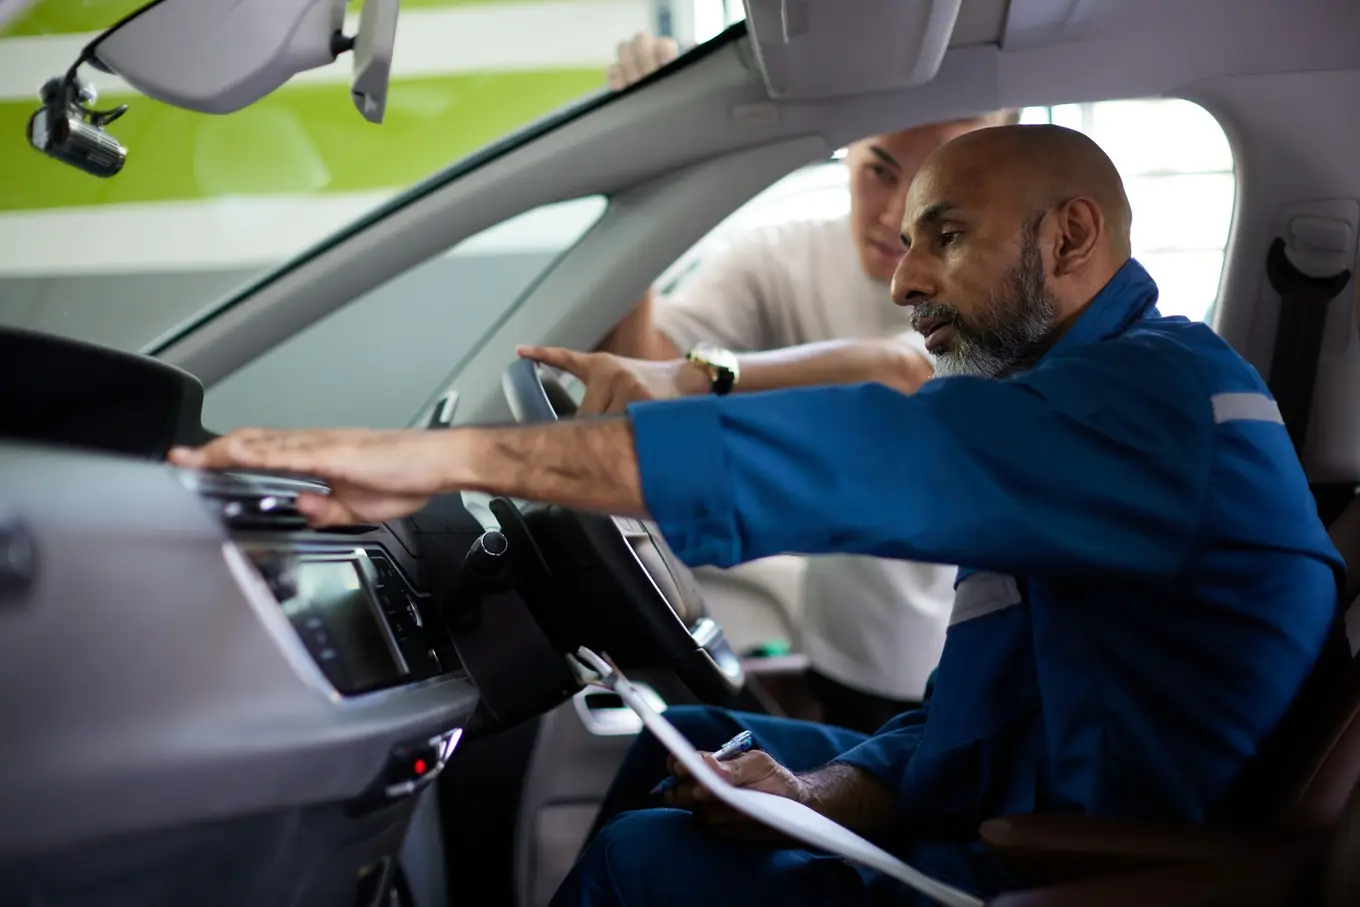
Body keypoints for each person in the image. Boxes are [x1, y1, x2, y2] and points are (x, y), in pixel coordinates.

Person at [169, 124, 1346, 906]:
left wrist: (444, 459)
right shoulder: (1109, 393)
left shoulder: (1148, 401)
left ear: (1071, 235)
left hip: (1082, 863)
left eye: (947, 236)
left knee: (646, 861)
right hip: (1020, 793)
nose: (904, 276)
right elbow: (1002, 698)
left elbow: (855, 453)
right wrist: (846, 788)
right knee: (682, 750)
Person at [595, 32, 1021, 731]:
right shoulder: (780, 258)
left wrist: (693, 378)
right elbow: (633, 374)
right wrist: (653, 174)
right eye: (879, 171)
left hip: (989, 669)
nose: (894, 221)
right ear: (848, 148)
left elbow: (890, 375)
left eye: (936, 203)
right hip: (847, 654)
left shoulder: (1007, 292)